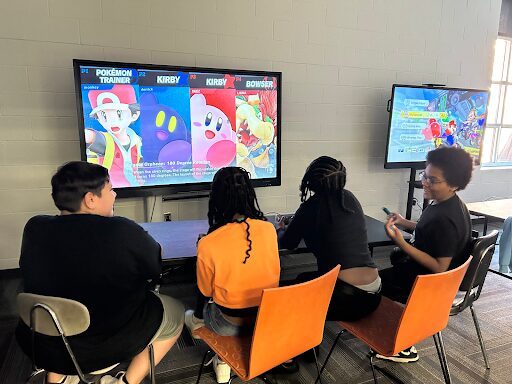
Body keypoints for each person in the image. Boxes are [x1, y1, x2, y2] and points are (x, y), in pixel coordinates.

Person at [15, 161, 184, 384]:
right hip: (103, 347)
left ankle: (58, 378)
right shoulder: (121, 230)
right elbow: (154, 269)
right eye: (111, 190)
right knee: (176, 312)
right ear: (91, 199)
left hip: (42, 344)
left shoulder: (34, 227)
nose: (114, 196)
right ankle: (125, 382)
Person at [183, 167, 280, 383]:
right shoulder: (269, 230)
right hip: (265, 320)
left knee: (196, 311)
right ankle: (224, 359)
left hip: (226, 324)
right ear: (249, 194)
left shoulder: (209, 243)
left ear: (216, 199)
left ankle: (223, 360)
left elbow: (206, 291)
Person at [379, 146, 473, 363]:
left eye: (433, 180)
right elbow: (427, 230)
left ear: (454, 184)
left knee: (374, 284)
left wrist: (401, 242)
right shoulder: (447, 204)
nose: (425, 182)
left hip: (427, 284)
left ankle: (403, 345)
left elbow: (439, 267)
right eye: (424, 175)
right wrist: (403, 222)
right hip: (425, 277)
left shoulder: (446, 219)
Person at [277, 156, 382, 322]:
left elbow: (287, 243)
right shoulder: (349, 199)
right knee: (306, 277)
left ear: (310, 181)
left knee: (293, 288)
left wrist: (283, 229)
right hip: (375, 293)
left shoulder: (310, 207)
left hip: (347, 297)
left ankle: (303, 341)